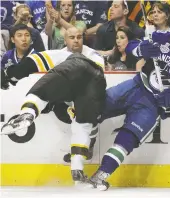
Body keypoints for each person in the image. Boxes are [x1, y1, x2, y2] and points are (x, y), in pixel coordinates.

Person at [85, 19, 170, 191]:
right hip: (136, 86)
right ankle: (87, 145)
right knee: (95, 106)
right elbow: (129, 46)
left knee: (128, 138)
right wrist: (140, 49)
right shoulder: (163, 39)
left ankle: (101, 175)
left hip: (153, 105)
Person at [1, 26, 106, 184]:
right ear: (65, 40)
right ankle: (77, 169)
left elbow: (33, 62)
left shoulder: (70, 54)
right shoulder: (85, 54)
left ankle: (28, 113)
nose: (76, 40)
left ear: (83, 38)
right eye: (72, 37)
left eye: (79, 37)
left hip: (83, 74)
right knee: (83, 123)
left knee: (44, 89)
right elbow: (32, 62)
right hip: (92, 87)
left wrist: (9, 74)